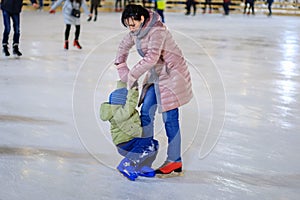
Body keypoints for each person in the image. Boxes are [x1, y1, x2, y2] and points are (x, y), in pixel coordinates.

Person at [115, 4, 193, 176]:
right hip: (157, 76)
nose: (130, 28)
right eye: (128, 25)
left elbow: (151, 58)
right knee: (145, 113)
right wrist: (121, 65)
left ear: (142, 19)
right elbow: (123, 46)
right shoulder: (137, 32)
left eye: (132, 24)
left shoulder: (157, 31)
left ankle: (174, 160)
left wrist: (131, 76)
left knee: (170, 118)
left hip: (173, 76)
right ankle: (145, 152)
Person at [100, 80, 159, 181]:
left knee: (154, 144)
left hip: (130, 140)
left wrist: (123, 81)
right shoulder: (118, 114)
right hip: (126, 143)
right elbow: (130, 105)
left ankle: (142, 166)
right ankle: (125, 164)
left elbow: (122, 93)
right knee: (146, 144)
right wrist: (134, 90)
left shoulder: (120, 110)